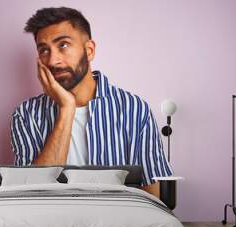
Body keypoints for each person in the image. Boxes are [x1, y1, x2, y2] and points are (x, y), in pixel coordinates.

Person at [10, 7, 173, 196]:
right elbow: (30, 195)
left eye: (63, 45)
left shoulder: (135, 110)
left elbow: (155, 195)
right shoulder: (25, 115)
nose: (53, 60)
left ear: (89, 50)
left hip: (117, 224)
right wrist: (66, 108)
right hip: (51, 224)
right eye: (44, 50)